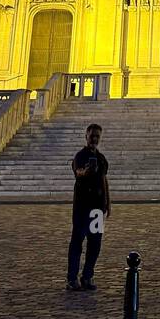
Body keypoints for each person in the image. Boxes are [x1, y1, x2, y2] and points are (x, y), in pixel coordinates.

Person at [67, 123, 110, 291]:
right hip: (82, 207)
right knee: (77, 242)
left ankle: (87, 276)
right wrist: (86, 171)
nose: (94, 139)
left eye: (97, 136)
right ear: (86, 136)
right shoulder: (80, 156)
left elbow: (105, 181)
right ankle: (71, 278)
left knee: (95, 244)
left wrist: (108, 203)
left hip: (97, 208)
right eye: (92, 136)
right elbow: (78, 172)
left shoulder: (101, 158)